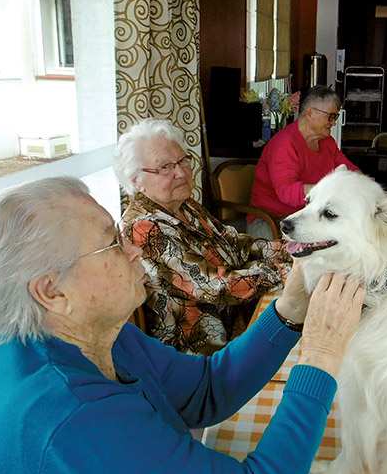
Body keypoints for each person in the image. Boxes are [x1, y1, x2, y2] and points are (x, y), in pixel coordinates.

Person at [0, 176, 366, 474]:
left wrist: (290, 309)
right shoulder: (72, 415)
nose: (135, 247)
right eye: (112, 242)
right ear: (53, 292)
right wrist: (321, 355)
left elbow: (205, 391)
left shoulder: (92, 331)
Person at [112, 119, 291, 356]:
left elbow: (234, 243)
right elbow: (216, 288)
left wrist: (290, 250)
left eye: (182, 160)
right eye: (165, 167)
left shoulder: (184, 205)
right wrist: (282, 272)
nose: (181, 173)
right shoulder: (144, 229)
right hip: (203, 352)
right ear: (136, 181)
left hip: (242, 317)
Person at [247, 85, 359, 239]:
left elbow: (349, 169)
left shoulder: (327, 142)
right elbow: (287, 193)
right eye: (331, 117)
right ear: (311, 113)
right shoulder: (285, 144)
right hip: (274, 221)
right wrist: (326, 192)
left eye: (335, 117)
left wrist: (360, 182)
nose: (333, 123)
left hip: (308, 217)